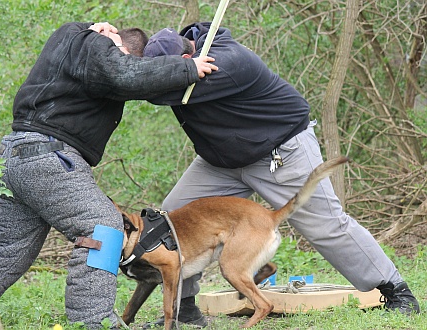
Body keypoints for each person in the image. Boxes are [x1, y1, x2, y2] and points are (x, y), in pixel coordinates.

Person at [0, 21, 217, 329]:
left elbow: (130, 78)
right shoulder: (92, 44)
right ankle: (94, 323)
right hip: (47, 156)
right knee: (104, 228)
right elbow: (127, 73)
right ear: (116, 44)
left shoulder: (83, 54)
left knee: (6, 250)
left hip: (16, 157)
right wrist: (188, 68)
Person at [142, 24, 421, 327]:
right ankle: (186, 309)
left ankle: (397, 292)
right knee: (170, 220)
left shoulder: (231, 63)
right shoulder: (189, 62)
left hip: (280, 149)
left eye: (170, 69)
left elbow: (156, 91)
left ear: (190, 55)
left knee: (326, 225)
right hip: (222, 161)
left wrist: (146, 79)